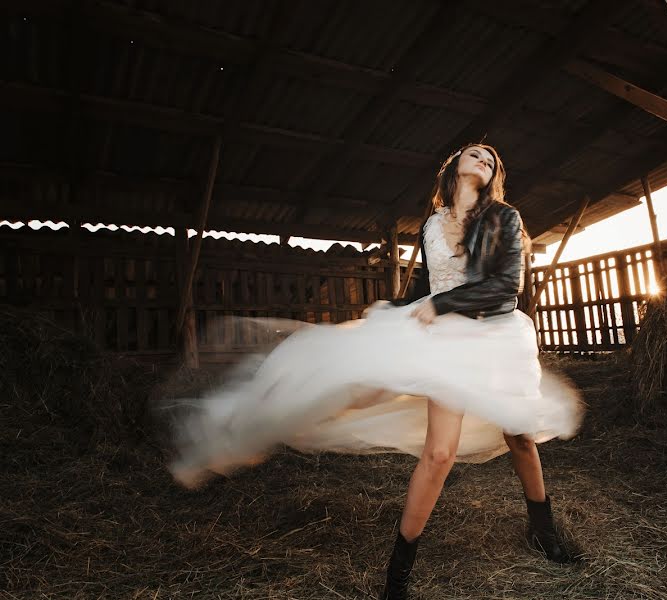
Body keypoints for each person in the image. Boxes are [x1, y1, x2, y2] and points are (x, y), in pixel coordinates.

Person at [167, 144, 584, 600]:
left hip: (495, 335)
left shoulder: (505, 218)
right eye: (475, 153)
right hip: (447, 343)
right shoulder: (431, 224)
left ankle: (542, 529)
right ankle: (397, 577)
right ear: (454, 167)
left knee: (519, 436)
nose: (485, 158)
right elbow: (428, 283)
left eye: (492, 159)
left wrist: (441, 305)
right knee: (438, 455)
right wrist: (396, 309)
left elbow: (507, 286)